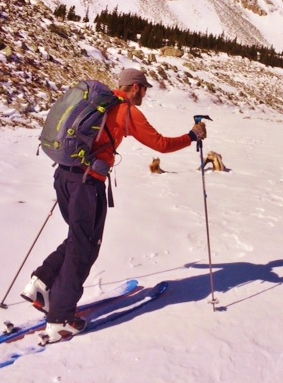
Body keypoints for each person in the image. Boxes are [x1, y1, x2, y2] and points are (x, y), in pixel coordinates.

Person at [21, 68, 207, 343]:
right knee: (84, 248)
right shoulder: (126, 111)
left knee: (78, 239)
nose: (145, 93)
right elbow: (161, 145)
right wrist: (192, 136)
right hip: (87, 184)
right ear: (134, 88)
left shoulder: (101, 106)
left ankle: (42, 282)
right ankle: (60, 319)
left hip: (64, 176)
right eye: (144, 88)